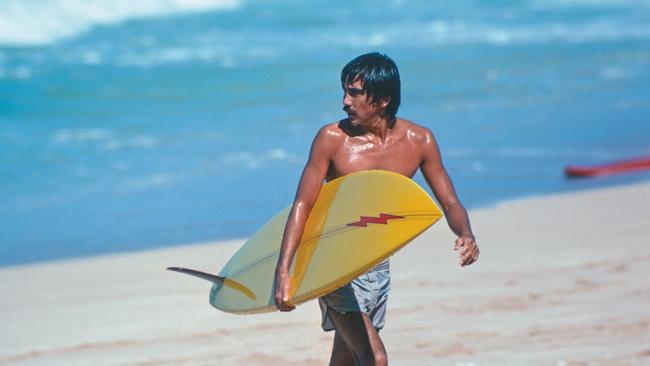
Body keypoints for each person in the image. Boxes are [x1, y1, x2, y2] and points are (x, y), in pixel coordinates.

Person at [274, 52, 479, 366]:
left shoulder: (419, 140)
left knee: (346, 358)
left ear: (383, 99)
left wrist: (465, 233)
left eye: (354, 93)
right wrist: (284, 271)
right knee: (375, 358)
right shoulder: (332, 139)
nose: (345, 101)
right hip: (333, 264)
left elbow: (450, 201)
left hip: (376, 265)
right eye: (345, 91)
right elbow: (303, 203)